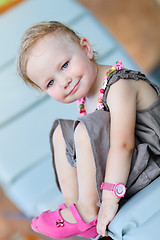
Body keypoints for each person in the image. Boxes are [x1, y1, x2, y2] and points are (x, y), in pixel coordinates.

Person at [17, 21, 160, 239]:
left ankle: (87, 209)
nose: (64, 81)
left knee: (83, 130)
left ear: (86, 49)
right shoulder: (85, 98)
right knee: (61, 133)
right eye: (50, 83)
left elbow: (123, 144)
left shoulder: (119, 84)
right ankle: (76, 207)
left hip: (152, 158)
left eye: (64, 65)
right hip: (129, 166)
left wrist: (110, 200)